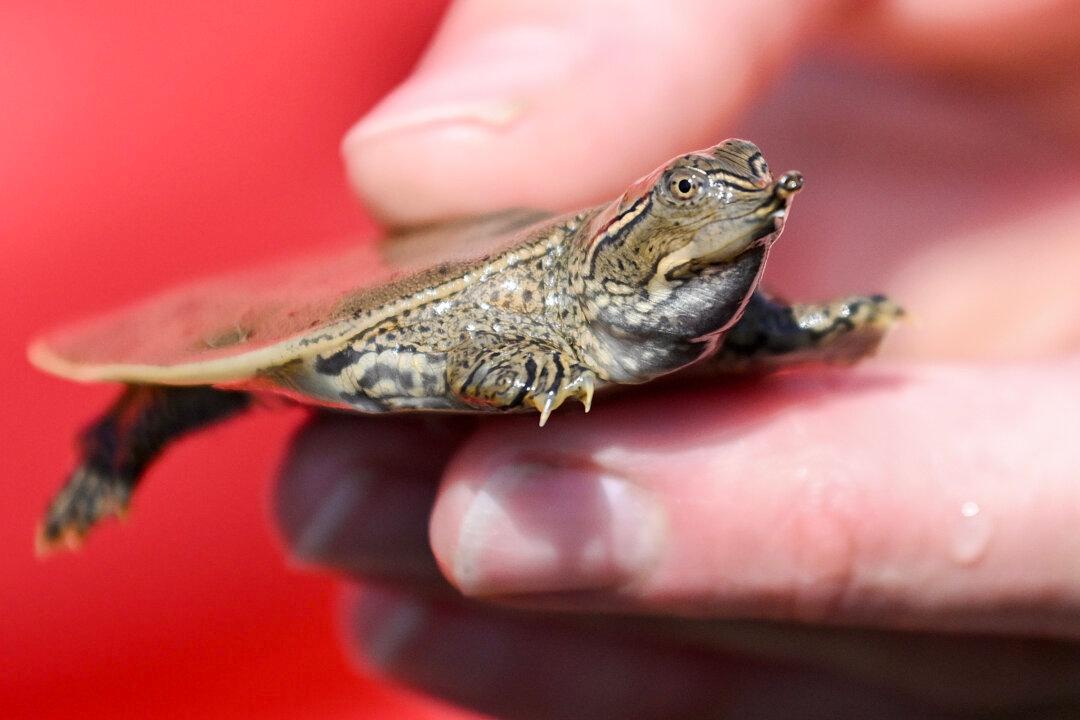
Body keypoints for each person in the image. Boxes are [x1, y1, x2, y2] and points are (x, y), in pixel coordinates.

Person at [274, 2, 1080, 717]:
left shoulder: (740, 323)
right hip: (383, 315)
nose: (730, 204)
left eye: (751, 193)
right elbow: (464, 361)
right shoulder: (549, 310)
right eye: (690, 194)